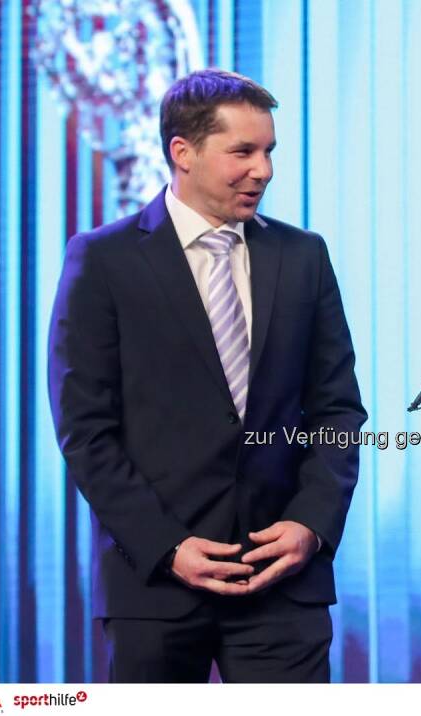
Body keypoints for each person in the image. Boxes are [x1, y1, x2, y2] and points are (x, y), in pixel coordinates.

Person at [48, 69, 366, 682]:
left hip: (283, 584)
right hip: (155, 588)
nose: (264, 170)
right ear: (183, 152)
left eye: (269, 150)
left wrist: (311, 524)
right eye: (243, 151)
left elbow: (337, 411)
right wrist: (166, 546)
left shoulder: (303, 256)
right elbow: (85, 429)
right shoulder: (103, 259)